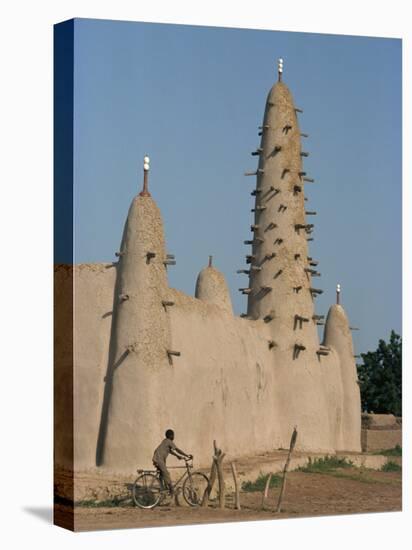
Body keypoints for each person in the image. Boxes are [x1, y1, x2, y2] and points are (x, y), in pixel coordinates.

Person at [152, 429, 192, 495]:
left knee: (162, 474)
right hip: (159, 459)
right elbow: (177, 449)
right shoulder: (169, 441)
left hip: (157, 458)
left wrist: (178, 456)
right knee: (166, 473)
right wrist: (186, 455)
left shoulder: (165, 441)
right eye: (173, 435)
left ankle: (163, 488)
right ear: (170, 436)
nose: (174, 436)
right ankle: (171, 490)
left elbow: (170, 451)